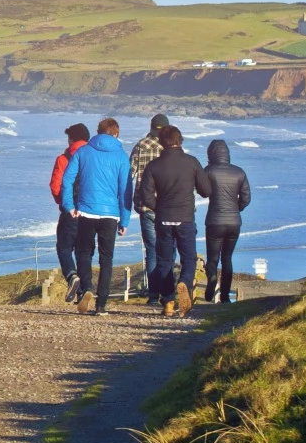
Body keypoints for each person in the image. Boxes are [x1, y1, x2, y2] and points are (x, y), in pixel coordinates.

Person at [137, 125, 213, 316]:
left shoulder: (153, 166)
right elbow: (206, 190)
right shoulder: (192, 162)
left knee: (164, 261)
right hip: (185, 217)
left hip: (163, 218)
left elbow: (145, 196)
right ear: (180, 141)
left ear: (162, 143)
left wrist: (159, 207)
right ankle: (184, 284)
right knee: (188, 258)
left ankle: (168, 301)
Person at [61, 118, 130, 314]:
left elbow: (67, 179)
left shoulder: (84, 151)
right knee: (106, 259)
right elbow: (126, 190)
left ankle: (86, 291)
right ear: (116, 134)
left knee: (84, 253)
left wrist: (69, 205)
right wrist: (124, 219)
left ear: (97, 132)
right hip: (110, 214)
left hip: (86, 211)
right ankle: (101, 305)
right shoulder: (121, 156)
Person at [203, 140, 252, 303]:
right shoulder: (239, 172)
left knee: (213, 258)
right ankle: (224, 297)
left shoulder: (209, 171)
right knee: (227, 258)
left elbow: (203, 192)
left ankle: (211, 278)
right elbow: (246, 198)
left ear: (211, 154)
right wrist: (237, 209)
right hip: (234, 222)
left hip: (214, 221)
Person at [128, 114, 170, 303]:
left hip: (146, 206)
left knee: (152, 249)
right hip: (168, 205)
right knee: (168, 249)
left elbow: (130, 174)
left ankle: (153, 295)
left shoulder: (141, 145)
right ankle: (168, 293)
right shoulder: (170, 148)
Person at [49, 123, 91, 301]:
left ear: (72, 139)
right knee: (84, 250)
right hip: (91, 209)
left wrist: (63, 203)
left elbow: (55, 185)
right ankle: (85, 290)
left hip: (70, 209)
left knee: (64, 247)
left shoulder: (64, 158)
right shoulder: (94, 157)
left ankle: (72, 276)